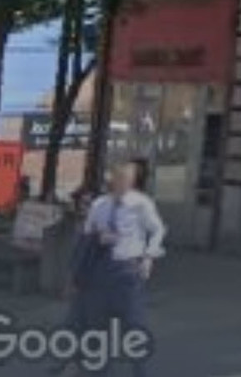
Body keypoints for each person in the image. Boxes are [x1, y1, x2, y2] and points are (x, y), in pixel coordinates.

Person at [75, 160, 163, 377]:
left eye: (127, 178)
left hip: (128, 269)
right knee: (98, 326)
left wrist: (148, 257)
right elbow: (86, 235)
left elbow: (157, 230)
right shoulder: (100, 205)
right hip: (102, 269)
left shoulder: (141, 204)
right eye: (119, 177)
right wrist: (98, 237)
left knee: (134, 325)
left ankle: (140, 371)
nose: (122, 182)